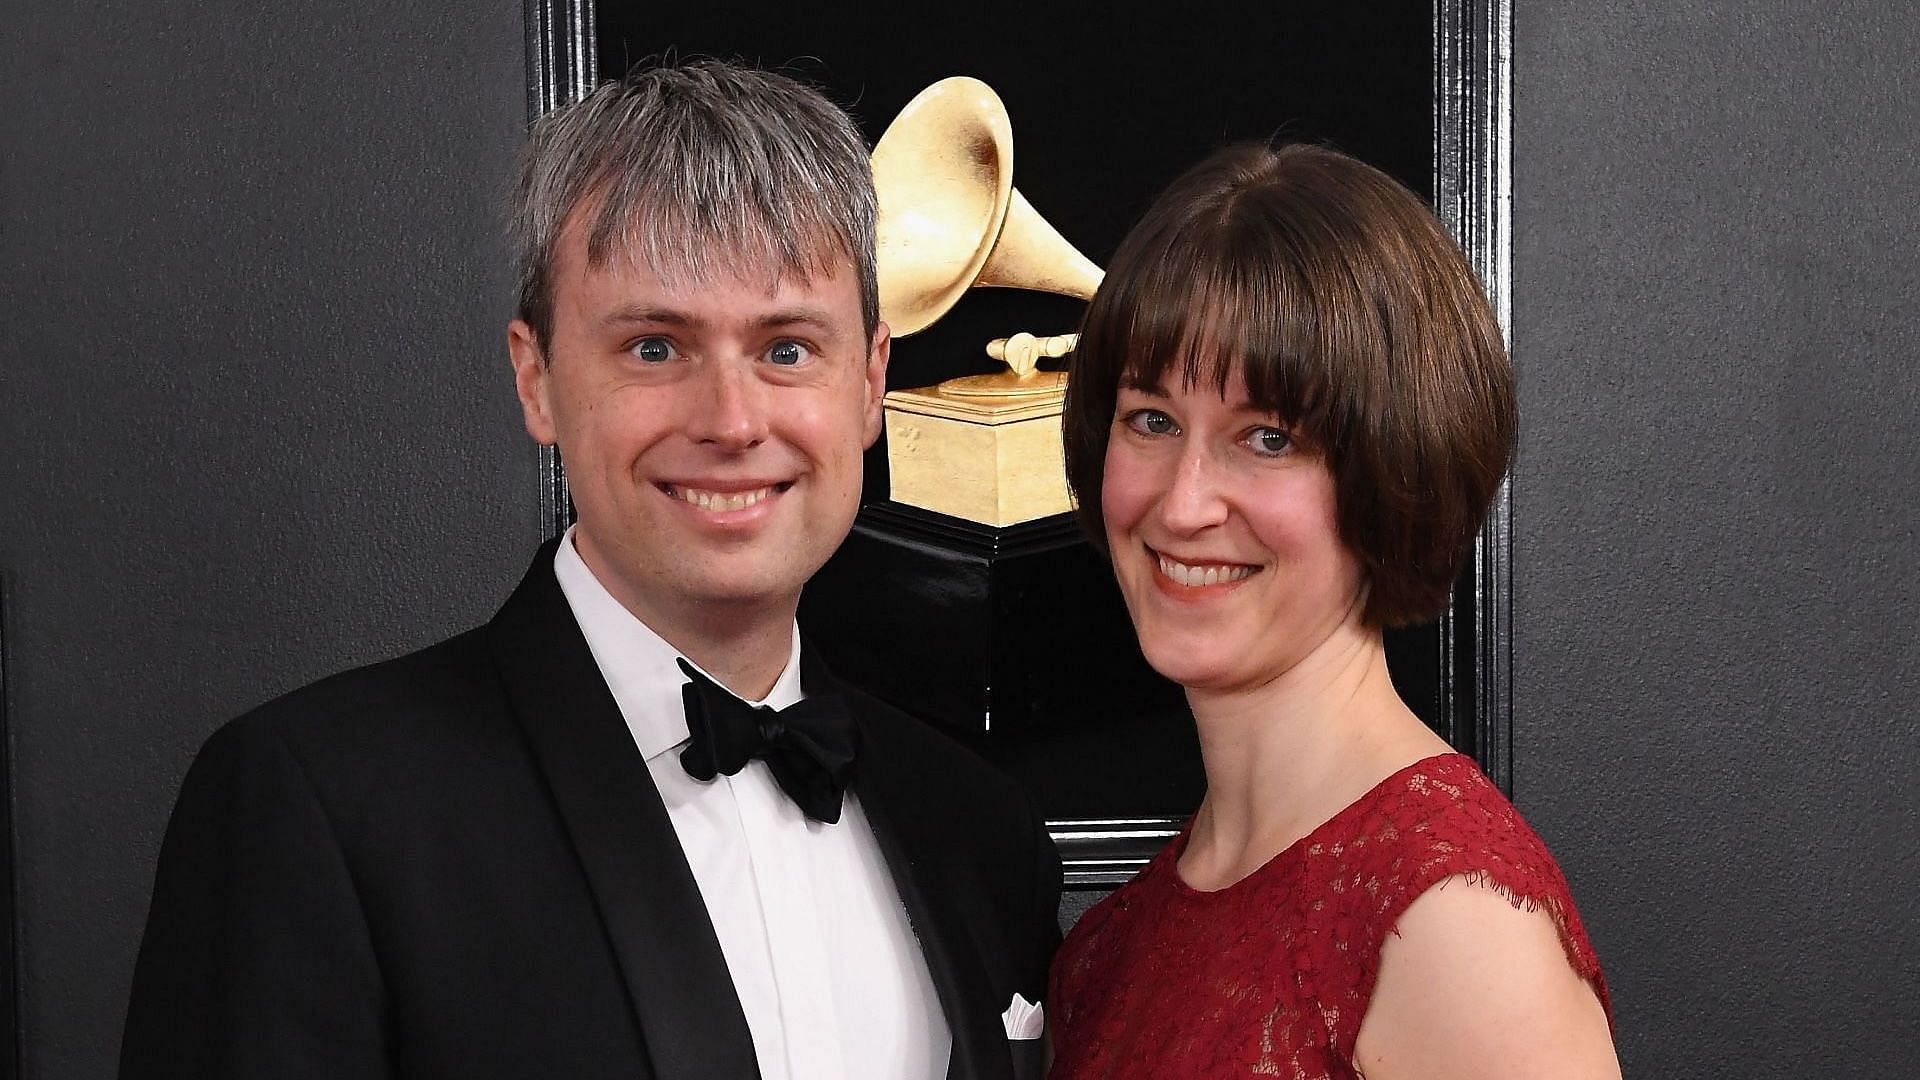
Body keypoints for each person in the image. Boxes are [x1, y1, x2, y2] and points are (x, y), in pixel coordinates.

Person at [120, 61, 1060, 1080]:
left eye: (787, 350)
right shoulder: (315, 807)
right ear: (537, 380)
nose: (732, 421)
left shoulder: (979, 830)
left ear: (870, 383)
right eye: (656, 348)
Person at [1047, 142, 1619, 1079]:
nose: (1184, 504)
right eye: (1151, 420)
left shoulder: (1456, 928)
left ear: (1394, 475)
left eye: (1266, 438)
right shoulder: (1118, 941)